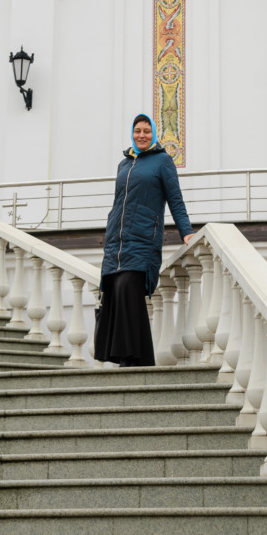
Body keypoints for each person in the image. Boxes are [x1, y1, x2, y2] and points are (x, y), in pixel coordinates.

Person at [95, 113, 194, 367]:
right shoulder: (124, 164)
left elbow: (175, 199)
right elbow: (118, 203)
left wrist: (186, 231)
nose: (142, 135)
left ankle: (140, 360)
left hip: (142, 240)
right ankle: (126, 359)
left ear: (154, 134)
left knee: (130, 288)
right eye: (138, 131)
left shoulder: (162, 161)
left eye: (146, 131)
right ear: (132, 133)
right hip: (117, 243)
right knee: (117, 293)